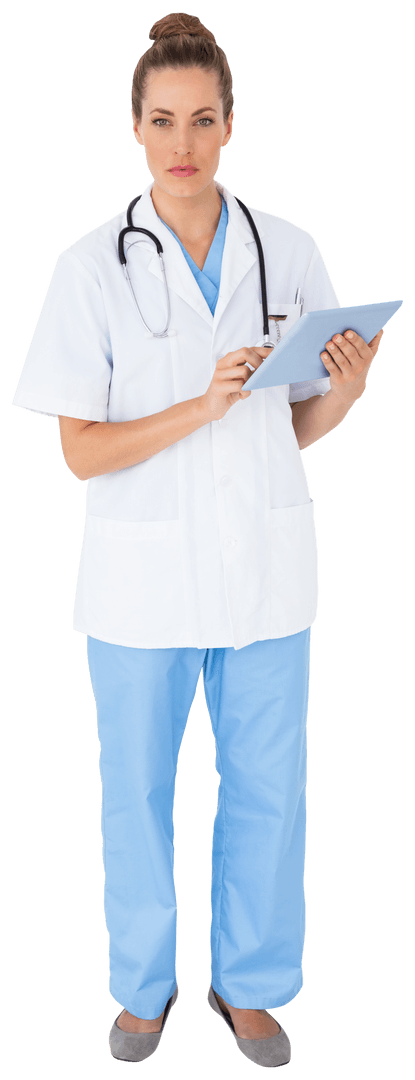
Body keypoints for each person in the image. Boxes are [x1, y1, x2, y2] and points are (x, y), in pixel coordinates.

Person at [11, 11, 383, 1068]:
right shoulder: (90, 267)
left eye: (203, 120)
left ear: (231, 127)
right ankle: (142, 989)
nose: (183, 141)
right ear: (134, 126)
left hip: (263, 574)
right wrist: (198, 407)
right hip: (140, 586)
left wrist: (344, 396)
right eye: (162, 120)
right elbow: (81, 452)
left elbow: (292, 429)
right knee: (135, 793)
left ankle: (250, 987)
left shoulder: (290, 249)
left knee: (272, 790)